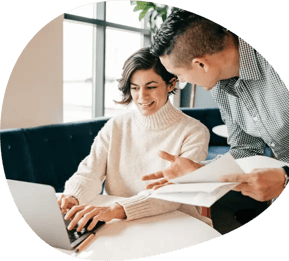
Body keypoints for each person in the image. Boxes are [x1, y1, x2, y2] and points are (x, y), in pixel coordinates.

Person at [142, 8, 289, 233]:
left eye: (181, 76)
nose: (183, 82)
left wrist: (287, 176)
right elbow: (246, 150)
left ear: (201, 64)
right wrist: (201, 172)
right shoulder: (221, 84)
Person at [57, 47, 211, 232]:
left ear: (171, 84)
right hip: (121, 225)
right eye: (135, 88)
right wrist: (73, 196)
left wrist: (118, 209)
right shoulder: (116, 125)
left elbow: (172, 195)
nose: (141, 96)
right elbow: (90, 172)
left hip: (174, 225)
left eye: (151, 87)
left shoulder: (194, 131)